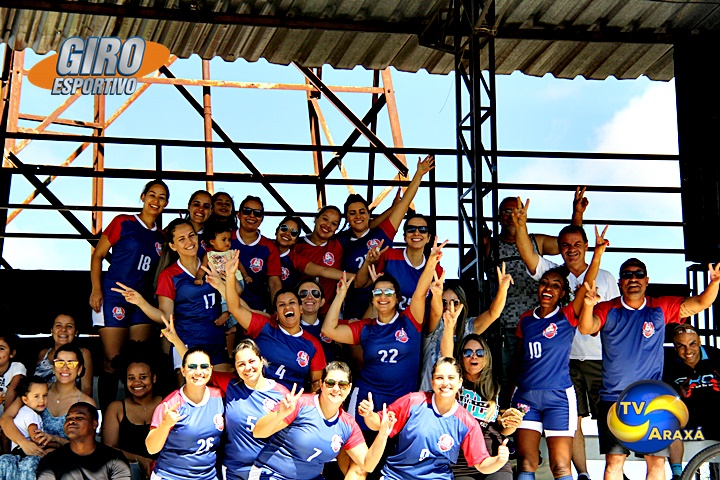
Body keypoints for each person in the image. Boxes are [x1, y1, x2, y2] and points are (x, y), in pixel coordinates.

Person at [579, 259, 720, 480]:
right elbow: (586, 327)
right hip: (615, 399)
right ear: (619, 282)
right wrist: (588, 305)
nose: (633, 278)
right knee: (614, 462)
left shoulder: (660, 306)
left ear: (647, 280)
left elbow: (700, 303)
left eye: (638, 274)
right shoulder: (607, 307)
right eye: (627, 275)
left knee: (656, 462)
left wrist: (714, 283)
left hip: (653, 400)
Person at [513, 197, 618, 480]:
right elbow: (528, 254)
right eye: (565, 246)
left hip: (596, 360)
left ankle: (613, 470)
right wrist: (521, 225)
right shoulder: (549, 280)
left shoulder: (597, 283)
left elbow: (589, 287)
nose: (571, 250)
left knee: (609, 417)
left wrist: (596, 254)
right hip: (557, 369)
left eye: (576, 245)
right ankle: (583, 473)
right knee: (570, 428)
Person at [322, 237, 446, 430]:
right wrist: (341, 295)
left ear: (397, 298)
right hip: (367, 398)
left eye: (388, 293)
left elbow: (420, 293)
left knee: (395, 453)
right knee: (359, 452)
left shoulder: (410, 321)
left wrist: (431, 262)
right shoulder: (366, 327)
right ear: (372, 299)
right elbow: (328, 330)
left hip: (402, 400)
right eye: (377, 293)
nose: (383, 297)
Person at [479, 189, 587, 388]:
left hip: (538, 324)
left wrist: (577, 215)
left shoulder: (537, 241)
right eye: (506, 212)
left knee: (536, 378)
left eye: (516, 211)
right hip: (504, 326)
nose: (512, 216)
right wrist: (481, 243)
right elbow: (465, 269)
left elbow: (568, 244)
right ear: (499, 217)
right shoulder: (490, 246)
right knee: (505, 381)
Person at [161, 315, 289, 480]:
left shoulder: (281, 393)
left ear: (261, 360)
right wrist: (176, 340)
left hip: (269, 471)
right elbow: (199, 370)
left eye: (251, 361)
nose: (247, 368)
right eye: (241, 364)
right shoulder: (230, 384)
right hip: (233, 470)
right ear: (234, 367)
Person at [358, 357, 510, 480]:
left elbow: (482, 463)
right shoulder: (413, 402)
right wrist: (369, 414)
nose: (445, 383)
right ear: (432, 381)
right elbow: (378, 424)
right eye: (439, 377)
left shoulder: (467, 422)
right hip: (397, 476)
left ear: (460, 383)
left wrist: (499, 461)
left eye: (451, 378)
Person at [89, 179, 169, 410]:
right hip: (114, 295)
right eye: (152, 194)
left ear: (166, 203)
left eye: (162, 197)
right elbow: (98, 255)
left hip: (141, 301)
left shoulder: (162, 238)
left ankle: (139, 416)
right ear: (143, 197)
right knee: (112, 361)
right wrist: (96, 288)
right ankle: (106, 416)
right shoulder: (123, 222)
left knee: (139, 362)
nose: (156, 200)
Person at [112, 218, 232, 370]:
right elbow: (165, 317)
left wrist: (228, 311)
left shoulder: (213, 262)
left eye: (191, 235)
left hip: (216, 341)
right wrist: (140, 301)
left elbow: (235, 294)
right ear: (172, 246)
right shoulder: (169, 275)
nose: (189, 241)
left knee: (220, 392)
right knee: (190, 392)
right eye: (181, 239)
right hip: (187, 343)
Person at [250, 361, 395, 480]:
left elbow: (367, 464)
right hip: (272, 474)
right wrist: (280, 414)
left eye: (342, 384)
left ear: (349, 388)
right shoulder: (300, 404)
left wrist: (383, 433)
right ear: (321, 384)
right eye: (330, 383)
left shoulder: (348, 425)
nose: (336, 389)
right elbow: (258, 433)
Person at [208, 251, 327, 391]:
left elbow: (316, 384)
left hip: (288, 402)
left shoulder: (312, 345)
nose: (287, 307)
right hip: (254, 394)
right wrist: (230, 276)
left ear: (301, 309)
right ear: (275, 314)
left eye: (292, 303)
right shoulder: (264, 326)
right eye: (281, 305)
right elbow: (236, 308)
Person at [337, 154, 435, 319]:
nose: (358, 216)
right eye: (352, 213)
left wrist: (419, 175)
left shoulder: (382, 233)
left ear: (369, 214)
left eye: (362, 212)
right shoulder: (341, 241)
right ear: (346, 217)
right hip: (354, 304)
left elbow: (404, 205)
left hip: (383, 304)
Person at [439, 306, 524, 480]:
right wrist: (448, 327)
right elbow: (446, 357)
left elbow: (504, 429)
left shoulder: (498, 385)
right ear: (460, 357)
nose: (474, 357)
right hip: (461, 460)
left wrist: (512, 422)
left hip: (493, 456)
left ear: (486, 357)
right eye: (467, 353)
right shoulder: (454, 383)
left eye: (479, 352)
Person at [0, 344, 95, 477]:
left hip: (63, 464)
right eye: (60, 362)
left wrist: (55, 440)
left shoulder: (86, 403)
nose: (65, 367)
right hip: (27, 456)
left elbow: (86, 447)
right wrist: (24, 443)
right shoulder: (37, 390)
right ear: (53, 367)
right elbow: (5, 419)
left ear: (80, 369)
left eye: (71, 363)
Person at [420, 265, 512, 392]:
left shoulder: (468, 327)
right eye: (444, 302)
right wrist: (436, 295)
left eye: (455, 302)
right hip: (429, 394)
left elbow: (493, 314)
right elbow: (435, 313)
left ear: (462, 305)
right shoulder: (435, 325)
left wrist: (503, 289)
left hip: (460, 398)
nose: (449, 307)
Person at [146, 347, 224, 480]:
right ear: (183, 371)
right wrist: (165, 425)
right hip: (171, 476)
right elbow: (151, 448)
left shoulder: (219, 397)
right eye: (192, 367)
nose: (198, 372)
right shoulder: (170, 405)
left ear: (211, 369)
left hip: (208, 476)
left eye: (204, 366)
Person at [663, 322, 720, 480]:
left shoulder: (716, 356)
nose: (688, 351)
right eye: (681, 346)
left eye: (692, 344)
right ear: (675, 347)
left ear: (700, 341)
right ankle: (678, 475)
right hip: (690, 426)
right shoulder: (668, 364)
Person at [354, 213, 444, 312]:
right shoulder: (389, 256)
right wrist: (368, 262)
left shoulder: (436, 270)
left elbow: (435, 311)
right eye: (411, 229)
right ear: (404, 237)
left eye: (422, 229)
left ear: (428, 238)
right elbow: (359, 284)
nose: (417, 233)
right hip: (387, 323)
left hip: (417, 325)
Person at [102, 345, 163, 480]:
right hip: (127, 471)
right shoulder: (117, 408)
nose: (137, 382)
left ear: (154, 378)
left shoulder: (167, 404)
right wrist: (140, 460)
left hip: (164, 469)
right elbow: (109, 449)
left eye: (143, 377)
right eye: (131, 378)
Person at [36, 402, 130, 480]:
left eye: (79, 417)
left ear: (94, 423)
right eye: (68, 418)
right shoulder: (50, 461)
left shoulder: (115, 459)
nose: (71, 421)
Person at [229, 195, 282, 312]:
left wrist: (278, 310)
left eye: (257, 213)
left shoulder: (269, 247)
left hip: (257, 309)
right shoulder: (226, 239)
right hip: (226, 309)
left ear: (262, 218)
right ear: (239, 214)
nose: (252, 216)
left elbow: (274, 283)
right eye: (247, 211)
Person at [274, 216, 353, 291]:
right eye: (284, 228)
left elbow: (323, 271)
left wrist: (355, 277)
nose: (287, 233)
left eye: (293, 233)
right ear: (276, 230)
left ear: (295, 240)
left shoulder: (296, 259)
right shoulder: (265, 248)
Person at [291, 206, 345, 315]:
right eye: (325, 219)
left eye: (334, 224)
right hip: (300, 314)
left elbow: (368, 228)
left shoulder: (338, 245)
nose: (328, 225)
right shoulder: (296, 246)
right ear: (316, 219)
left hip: (330, 313)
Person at [0, 376, 48, 480]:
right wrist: (55, 443)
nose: (42, 400)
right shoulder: (31, 415)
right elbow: (37, 439)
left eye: (45, 395)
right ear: (25, 399)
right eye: (37, 396)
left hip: (16, 452)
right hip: (26, 451)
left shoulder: (22, 411)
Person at [34, 314, 94, 398]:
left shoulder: (83, 353)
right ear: (52, 330)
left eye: (69, 326)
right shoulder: (43, 353)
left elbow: (87, 389)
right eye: (58, 325)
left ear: (76, 332)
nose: (63, 329)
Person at [0, 332, 26, 417]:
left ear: (12, 353)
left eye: (1, 349)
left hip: (9, 415)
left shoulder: (17, 367)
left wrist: (5, 418)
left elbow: (12, 390)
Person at [185, 189, 213, 256]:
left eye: (206, 206)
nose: (201, 209)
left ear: (211, 211)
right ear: (189, 207)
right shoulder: (175, 231)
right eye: (197, 204)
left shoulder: (213, 237)